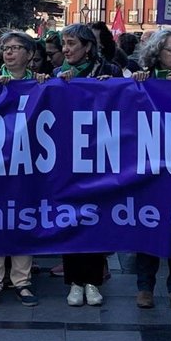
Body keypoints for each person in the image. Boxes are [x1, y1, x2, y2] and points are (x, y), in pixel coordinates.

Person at [0, 32, 44, 310]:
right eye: (6, 48)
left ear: (29, 55)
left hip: (26, 162)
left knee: (23, 219)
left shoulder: (40, 82)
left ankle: (21, 281)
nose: (10, 53)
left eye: (17, 48)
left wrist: (45, 85)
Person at [54, 23, 118, 307]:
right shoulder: (59, 74)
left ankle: (93, 280)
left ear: (88, 46)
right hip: (68, 156)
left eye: (71, 44)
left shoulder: (111, 72)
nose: (66, 49)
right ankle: (74, 282)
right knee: (70, 217)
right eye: (64, 44)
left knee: (95, 217)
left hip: (99, 155)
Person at [131, 29, 171, 310]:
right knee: (148, 225)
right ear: (158, 53)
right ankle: (145, 287)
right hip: (151, 165)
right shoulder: (143, 80)